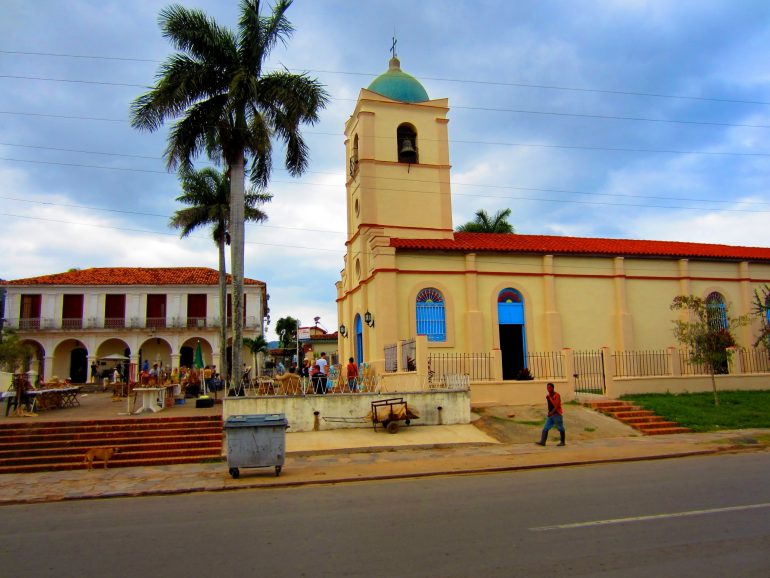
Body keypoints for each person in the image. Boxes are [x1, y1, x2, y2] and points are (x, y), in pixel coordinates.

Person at [536, 382, 566, 446]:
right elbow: (549, 406)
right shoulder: (548, 396)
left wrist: (552, 412)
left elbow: (557, 405)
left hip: (557, 414)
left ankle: (562, 442)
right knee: (545, 428)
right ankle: (543, 441)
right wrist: (549, 413)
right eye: (547, 388)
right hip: (551, 415)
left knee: (560, 428)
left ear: (553, 388)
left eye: (549, 387)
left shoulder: (557, 395)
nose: (548, 389)